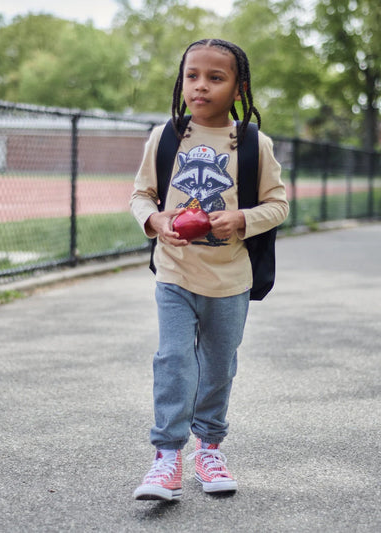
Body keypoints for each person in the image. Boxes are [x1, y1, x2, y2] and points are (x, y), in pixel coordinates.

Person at [129, 38, 289, 501]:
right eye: (192, 76)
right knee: (174, 361)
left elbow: (278, 205)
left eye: (215, 78)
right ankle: (166, 459)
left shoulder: (253, 143)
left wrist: (242, 218)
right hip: (175, 272)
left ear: (238, 89)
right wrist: (155, 219)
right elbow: (142, 194)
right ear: (182, 82)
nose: (200, 86)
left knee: (218, 366)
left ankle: (210, 448)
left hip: (231, 278)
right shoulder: (166, 136)